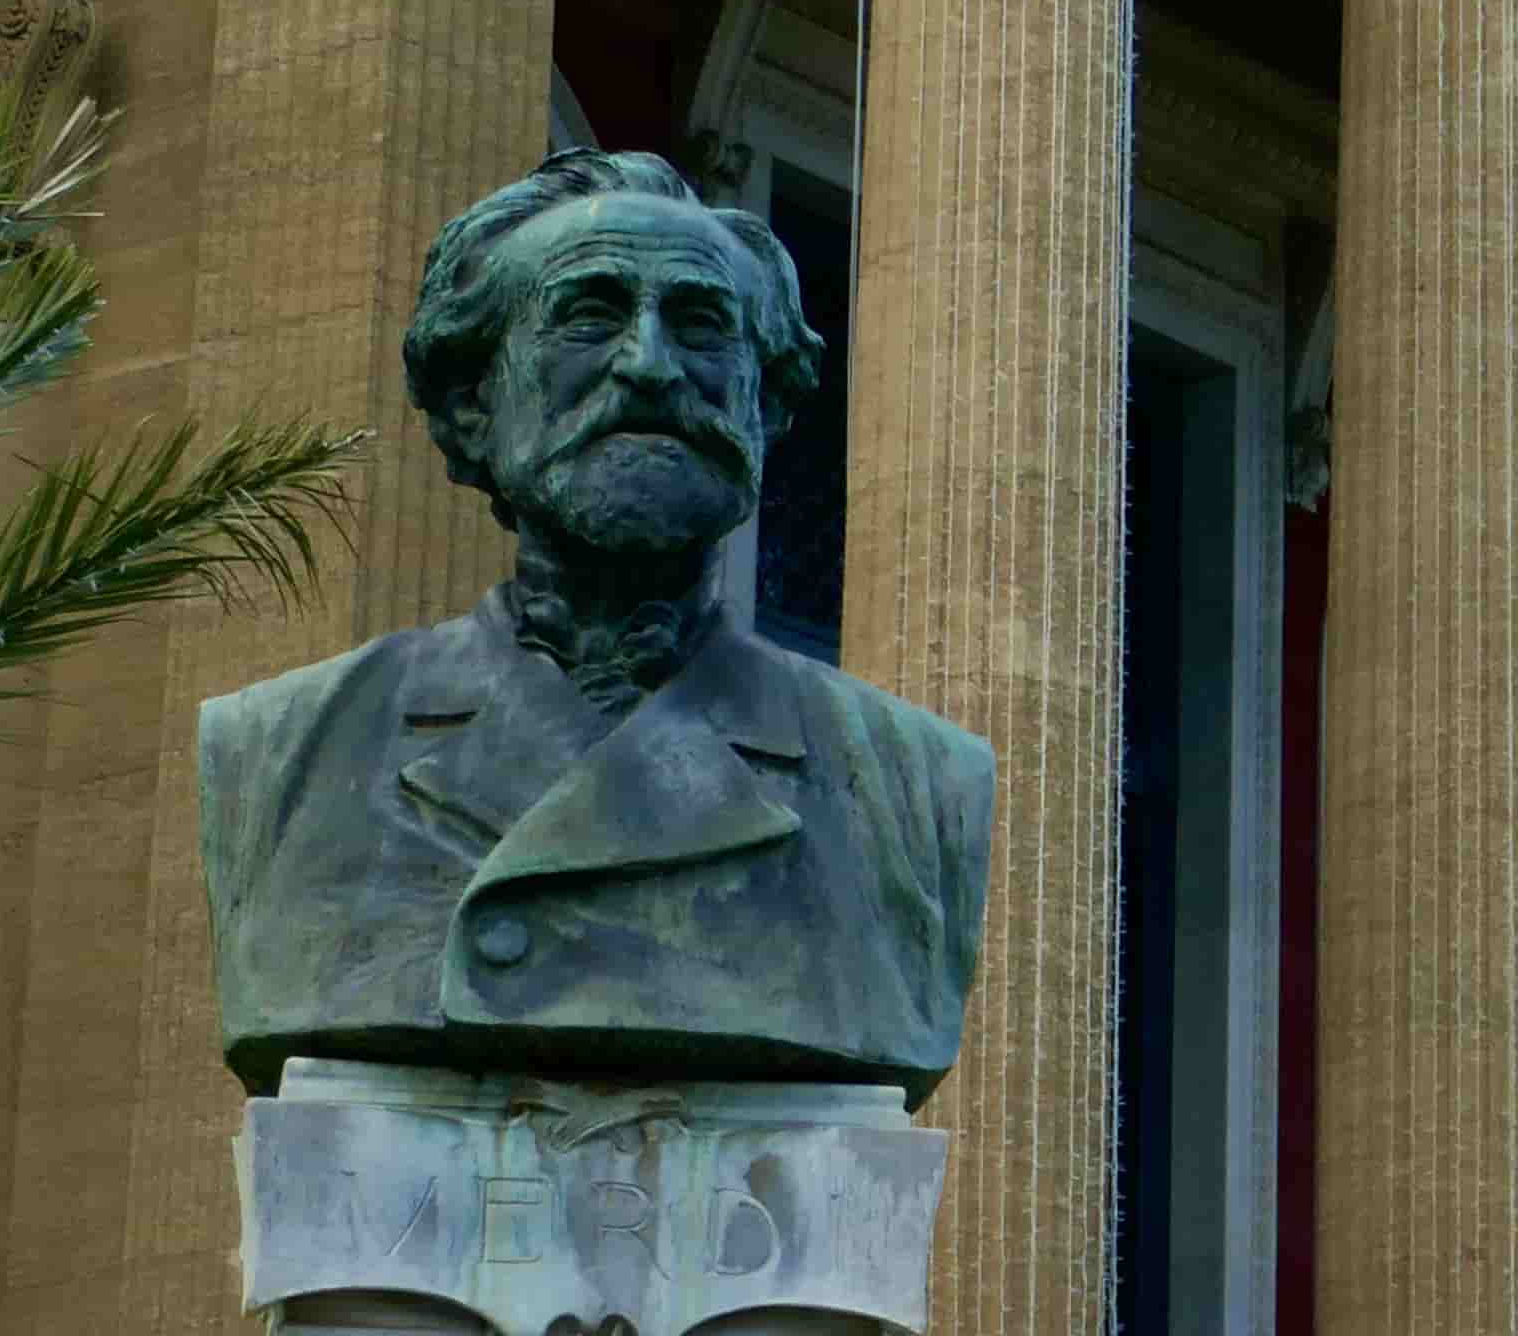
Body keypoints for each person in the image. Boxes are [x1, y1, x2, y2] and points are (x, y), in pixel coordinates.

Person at [196, 149, 996, 1096]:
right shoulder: (285, 751)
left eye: (703, 328)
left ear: (766, 408)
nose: (651, 365)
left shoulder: (916, 785)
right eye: (589, 316)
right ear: (473, 405)